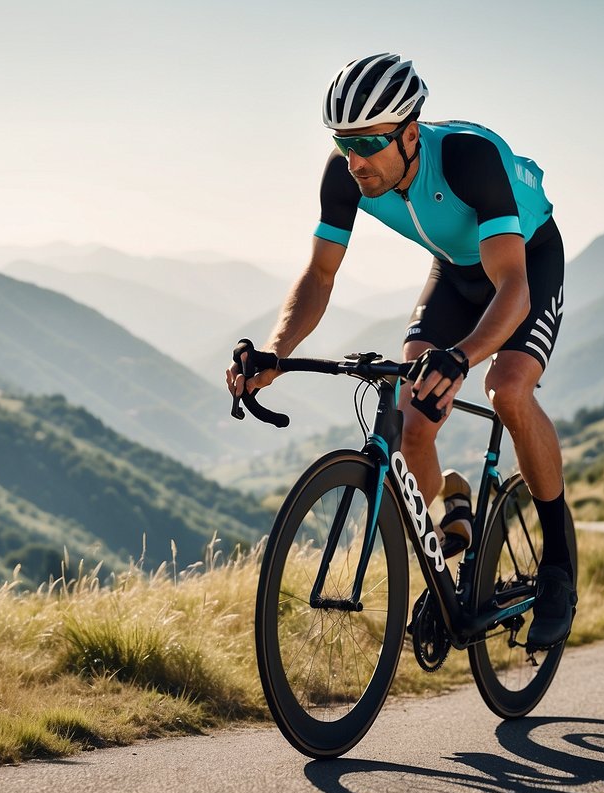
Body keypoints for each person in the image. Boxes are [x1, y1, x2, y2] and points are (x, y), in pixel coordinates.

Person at [226, 52, 575, 649]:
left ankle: (560, 567)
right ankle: (454, 527)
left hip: (525, 263)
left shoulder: (469, 159)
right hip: (456, 271)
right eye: (342, 143)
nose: (354, 161)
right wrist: (275, 352)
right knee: (414, 417)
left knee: (507, 389)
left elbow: (513, 289)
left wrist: (463, 356)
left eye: (368, 144)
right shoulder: (344, 175)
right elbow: (319, 277)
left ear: (410, 134)